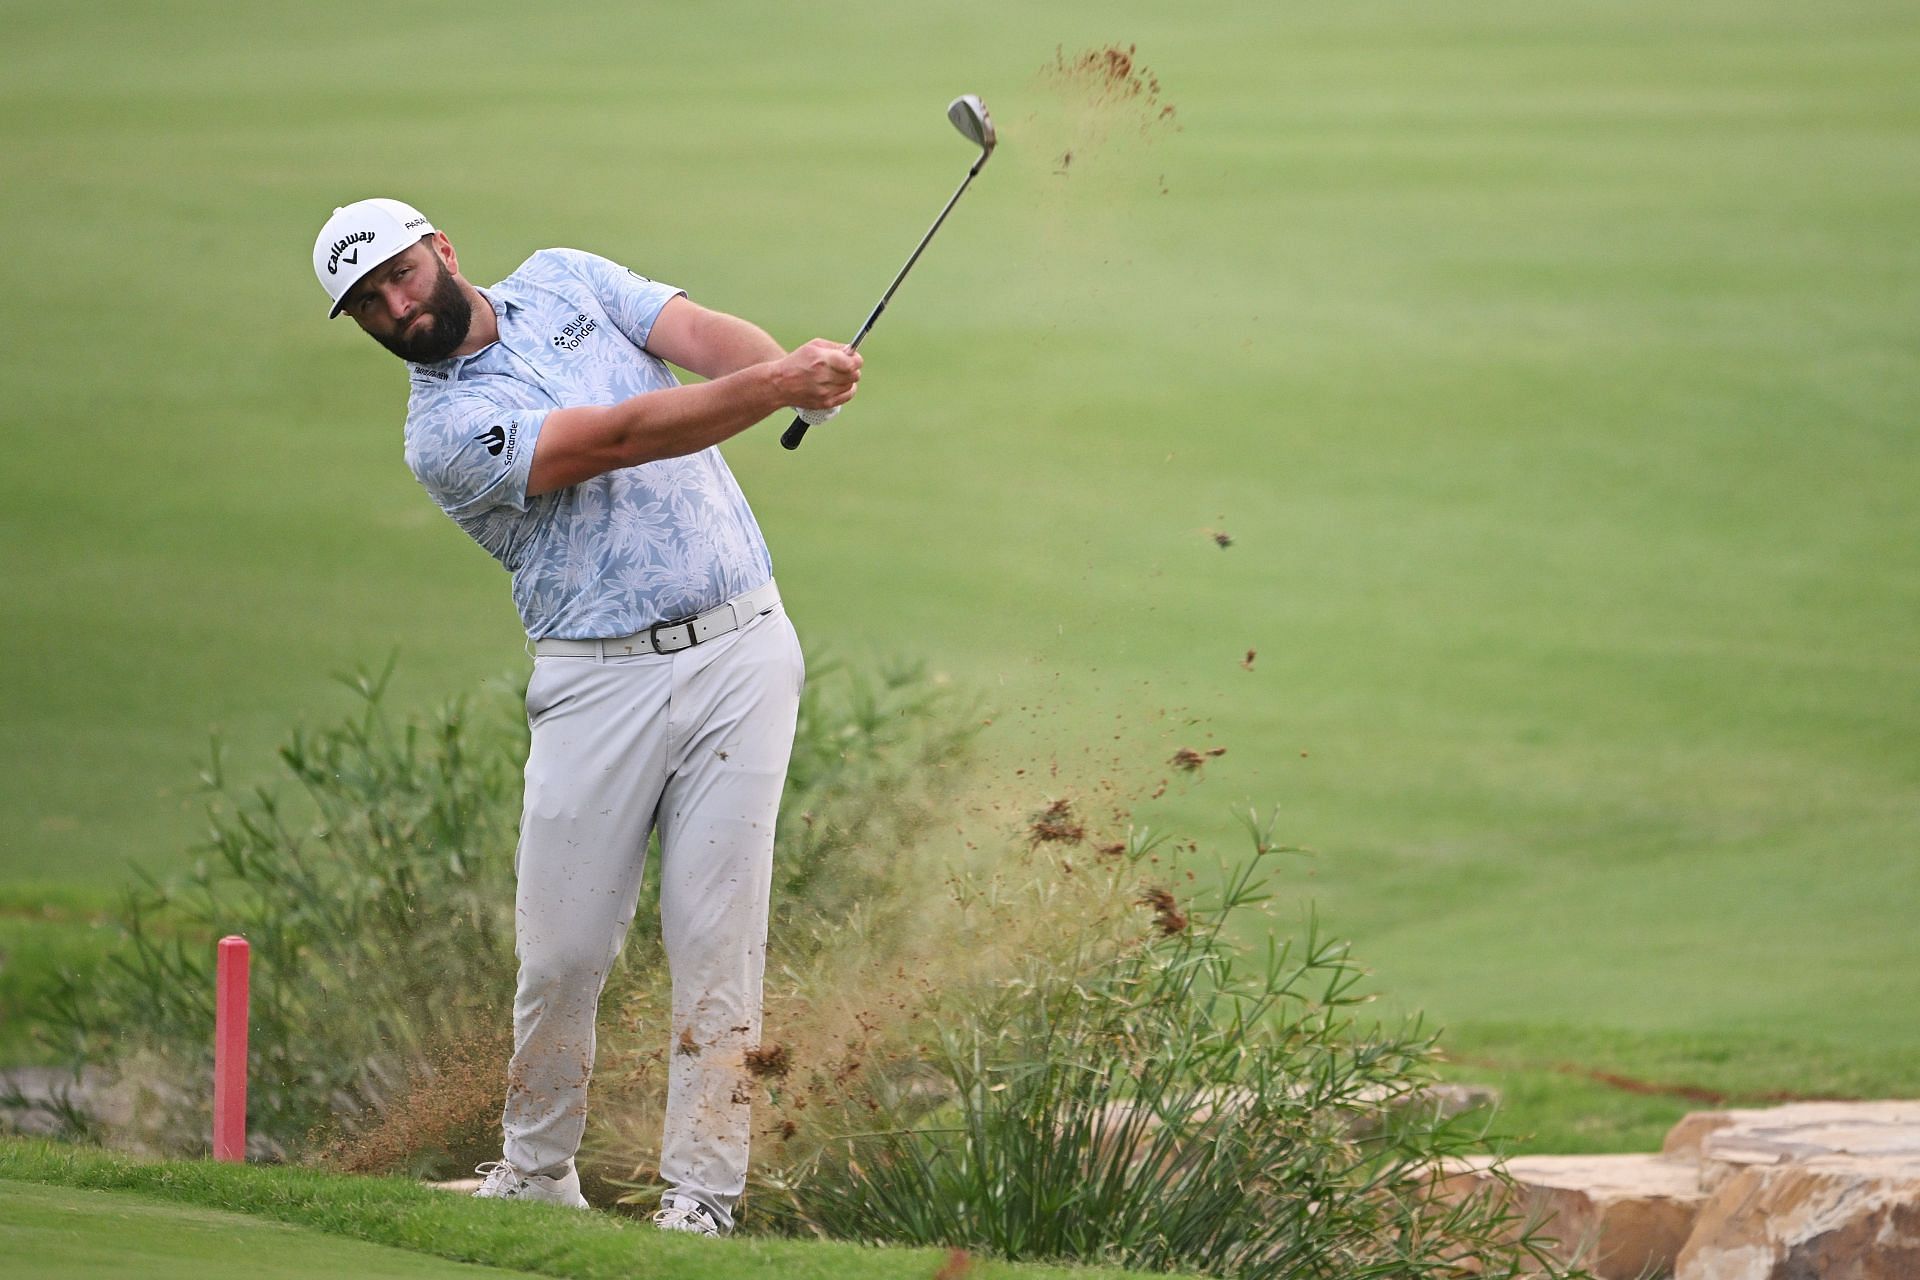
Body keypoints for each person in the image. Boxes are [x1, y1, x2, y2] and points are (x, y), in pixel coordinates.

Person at [310, 197, 860, 1236]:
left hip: (744, 645)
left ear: (442, 250)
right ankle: (536, 1171)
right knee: (563, 951)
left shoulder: (567, 276)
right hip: (595, 683)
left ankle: (701, 1198)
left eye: (399, 275)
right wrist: (776, 386)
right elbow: (616, 438)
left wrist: (794, 369)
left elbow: (700, 340)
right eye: (368, 303)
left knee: (717, 937)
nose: (394, 305)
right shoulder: (442, 434)